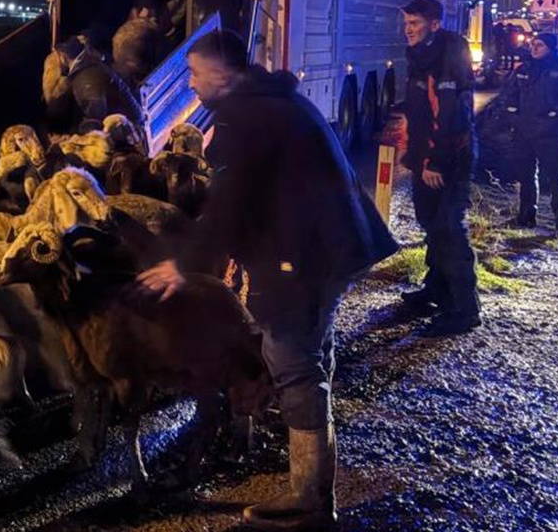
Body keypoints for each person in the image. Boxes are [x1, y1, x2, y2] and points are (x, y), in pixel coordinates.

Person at [135, 29, 396, 531]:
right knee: (310, 352)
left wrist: (182, 263)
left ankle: (310, 500)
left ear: (220, 72)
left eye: (193, 73)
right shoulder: (276, 101)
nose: (190, 84)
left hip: (300, 254)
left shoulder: (249, 116)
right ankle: (313, 485)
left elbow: (228, 203)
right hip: (329, 246)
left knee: (291, 358)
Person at [397, 0, 482, 336]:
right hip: (426, 156)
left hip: (447, 159)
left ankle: (464, 309)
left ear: (434, 25)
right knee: (432, 225)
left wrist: (435, 160)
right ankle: (436, 290)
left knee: (448, 230)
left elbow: (449, 115)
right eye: (406, 25)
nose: (408, 31)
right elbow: (421, 108)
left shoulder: (448, 57)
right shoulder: (422, 56)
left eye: (414, 24)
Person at [495, 32, 558, 238]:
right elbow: (509, 96)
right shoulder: (524, 69)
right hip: (523, 132)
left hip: (550, 134)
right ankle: (526, 216)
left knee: (555, 177)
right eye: (533, 44)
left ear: (551, 48)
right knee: (525, 176)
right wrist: (512, 116)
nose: (534, 49)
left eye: (540, 45)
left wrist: (553, 116)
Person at [42, 33, 145, 136]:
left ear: (63, 56)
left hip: (127, 132)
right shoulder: (91, 63)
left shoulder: (85, 80)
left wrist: (78, 133)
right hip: (128, 124)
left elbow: (96, 121)